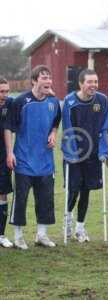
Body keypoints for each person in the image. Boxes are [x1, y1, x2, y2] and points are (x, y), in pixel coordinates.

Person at [4, 65, 61, 250]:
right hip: (24, 160)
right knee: (21, 199)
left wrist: (53, 134)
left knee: (45, 199)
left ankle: (42, 235)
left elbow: (55, 123)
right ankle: (19, 237)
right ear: (34, 81)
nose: (48, 81)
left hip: (45, 161)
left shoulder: (53, 101)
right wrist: (10, 152)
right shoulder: (20, 101)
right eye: (44, 78)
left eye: (49, 78)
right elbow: (9, 128)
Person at [62, 69, 108, 243]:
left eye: (96, 82)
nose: (93, 85)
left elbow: (104, 128)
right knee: (73, 189)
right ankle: (67, 218)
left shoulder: (103, 100)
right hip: (74, 153)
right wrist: (72, 153)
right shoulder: (70, 101)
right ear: (81, 84)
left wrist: (104, 151)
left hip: (93, 154)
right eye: (90, 82)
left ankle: (80, 227)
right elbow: (67, 128)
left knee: (86, 190)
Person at [0, 77, 14, 248]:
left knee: (2, 194)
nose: (4, 95)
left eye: (6, 91)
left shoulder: (10, 104)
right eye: (1, 91)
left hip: (4, 157)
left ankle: (1, 235)